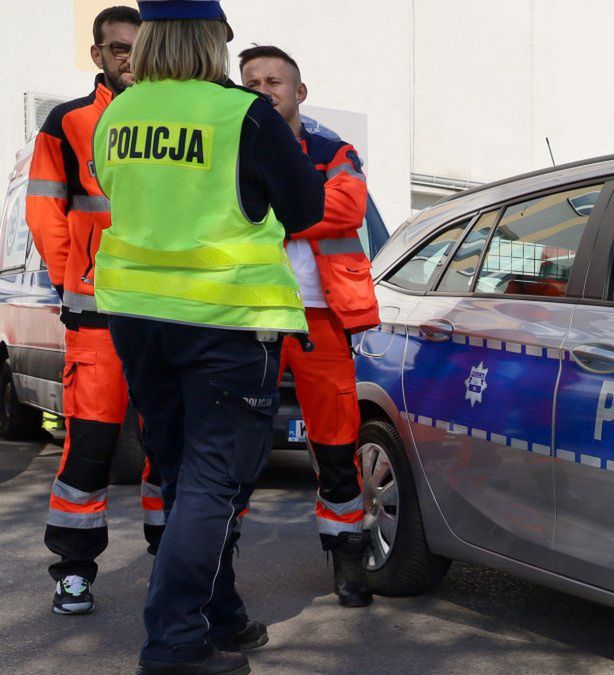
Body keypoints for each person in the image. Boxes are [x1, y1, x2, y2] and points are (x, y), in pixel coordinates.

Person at [91, 2, 325, 672]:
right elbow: (306, 206)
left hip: (138, 319)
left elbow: (113, 187)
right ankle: (173, 643)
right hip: (226, 321)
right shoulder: (241, 113)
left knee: (184, 474)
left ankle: (219, 614)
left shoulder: (119, 113)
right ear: (210, 40)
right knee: (214, 481)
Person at [26, 5, 164, 617]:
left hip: (165, 310)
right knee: (89, 446)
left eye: (138, 47)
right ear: (98, 56)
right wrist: (71, 280)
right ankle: (74, 570)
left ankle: (172, 562)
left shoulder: (177, 116)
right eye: (116, 49)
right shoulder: (68, 122)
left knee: (170, 442)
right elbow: (45, 211)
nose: (128, 58)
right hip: (97, 312)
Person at [239, 45, 380, 608]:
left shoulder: (332, 149)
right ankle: (216, 567)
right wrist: (301, 208)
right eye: (250, 81)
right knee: (236, 448)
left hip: (320, 317)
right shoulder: (229, 149)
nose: (263, 88)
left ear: (300, 93)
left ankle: (347, 561)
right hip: (249, 317)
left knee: (336, 441)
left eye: (275, 80)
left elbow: (346, 209)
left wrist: (273, 212)